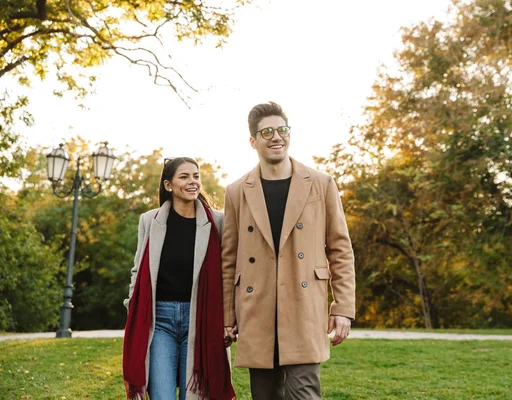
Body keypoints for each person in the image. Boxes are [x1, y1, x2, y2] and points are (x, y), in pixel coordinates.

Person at [221, 102, 356, 399]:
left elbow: (340, 249)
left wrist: (343, 308)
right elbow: (228, 259)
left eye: (282, 129)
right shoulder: (236, 192)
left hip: (304, 305)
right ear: (253, 141)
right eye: (266, 131)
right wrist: (227, 317)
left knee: (304, 393)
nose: (276, 137)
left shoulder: (321, 183)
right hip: (257, 310)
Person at [122, 157, 235, 400]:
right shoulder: (149, 221)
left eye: (195, 176)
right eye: (184, 177)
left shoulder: (218, 221)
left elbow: (228, 272)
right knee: (161, 395)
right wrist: (133, 305)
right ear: (168, 185)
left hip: (201, 320)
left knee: (193, 395)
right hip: (159, 321)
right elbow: (137, 269)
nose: (192, 182)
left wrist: (229, 316)